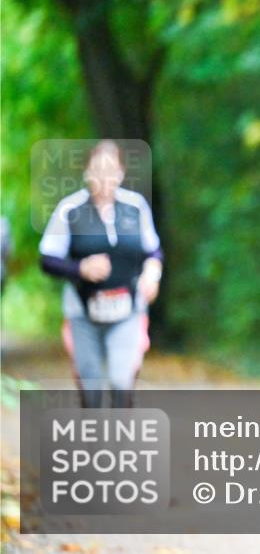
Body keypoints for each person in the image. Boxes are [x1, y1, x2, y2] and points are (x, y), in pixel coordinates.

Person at [39, 140, 162, 408]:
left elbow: (153, 251)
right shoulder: (69, 209)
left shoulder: (135, 206)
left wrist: (152, 274)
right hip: (83, 312)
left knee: (121, 381)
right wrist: (80, 268)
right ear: (87, 172)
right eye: (98, 170)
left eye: (111, 170)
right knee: (91, 387)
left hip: (127, 309)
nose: (104, 177)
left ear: (121, 173)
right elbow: (47, 259)